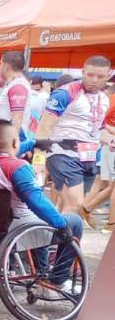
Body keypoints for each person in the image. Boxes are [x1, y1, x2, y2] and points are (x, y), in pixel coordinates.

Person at [0, 120, 83, 280]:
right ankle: (56, 281)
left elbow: (3, 152)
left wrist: (34, 143)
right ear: (15, 142)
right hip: (12, 229)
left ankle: (42, 269)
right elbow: (37, 202)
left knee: (39, 218)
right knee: (73, 221)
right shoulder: (18, 168)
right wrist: (61, 224)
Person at [43, 56, 111, 219]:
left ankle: (55, 241)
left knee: (65, 205)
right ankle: (65, 243)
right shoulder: (65, 93)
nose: (94, 80)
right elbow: (45, 126)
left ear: (108, 76)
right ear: (83, 72)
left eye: (100, 77)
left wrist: (110, 139)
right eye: (90, 75)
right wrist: (39, 159)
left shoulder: (104, 99)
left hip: (88, 157)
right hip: (63, 153)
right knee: (75, 204)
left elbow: (98, 129)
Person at [82, 99, 115, 231]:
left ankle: (85, 208)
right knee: (106, 184)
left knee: (108, 185)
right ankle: (111, 224)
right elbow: (101, 121)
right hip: (111, 144)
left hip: (108, 145)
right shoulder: (111, 99)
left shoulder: (110, 98)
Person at [0, 49, 32, 131]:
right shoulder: (14, 84)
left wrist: (11, 142)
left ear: (6, 66)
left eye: (0, 64)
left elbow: (17, 118)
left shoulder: (18, 86)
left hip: (6, 138)